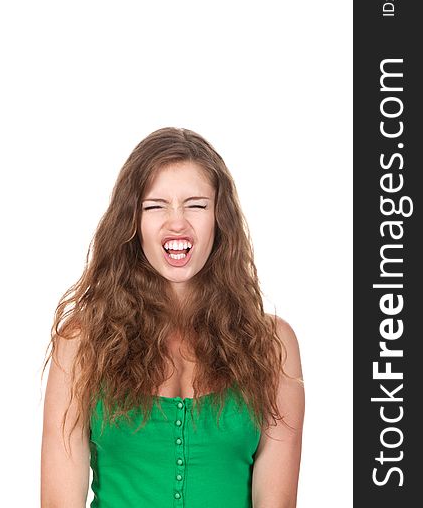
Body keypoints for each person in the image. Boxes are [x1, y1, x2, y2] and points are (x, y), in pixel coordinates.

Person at [40, 127, 305, 508]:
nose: (176, 222)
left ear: (220, 219)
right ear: (132, 223)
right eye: (155, 206)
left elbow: (275, 501)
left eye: (196, 205)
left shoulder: (273, 345)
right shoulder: (82, 341)